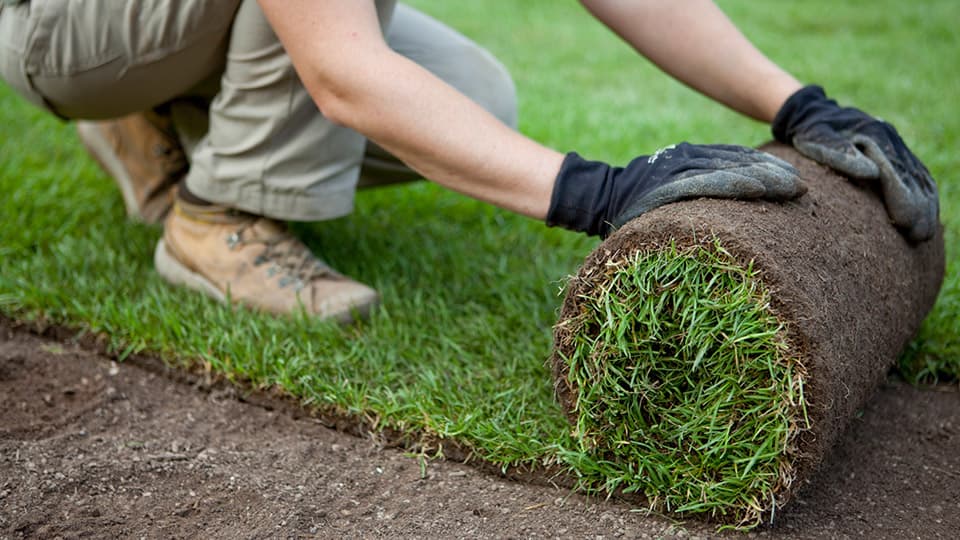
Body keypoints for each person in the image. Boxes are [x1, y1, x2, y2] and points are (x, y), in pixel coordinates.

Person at [0, 0, 938, 322]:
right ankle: (218, 220)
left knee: (476, 102)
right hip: (62, 30)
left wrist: (797, 104)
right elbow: (342, 73)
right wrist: (599, 193)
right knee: (359, 63)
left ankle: (154, 110)